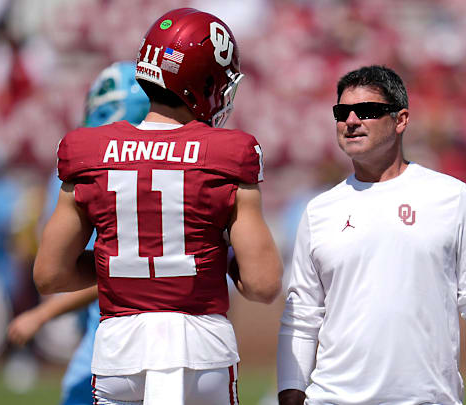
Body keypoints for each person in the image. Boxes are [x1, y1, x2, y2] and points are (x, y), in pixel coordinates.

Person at [33, 8, 282, 405]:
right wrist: (212, 260)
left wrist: (118, 265)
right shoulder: (229, 152)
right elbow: (264, 284)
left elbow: (49, 275)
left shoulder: (86, 150)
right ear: (204, 81)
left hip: (119, 352)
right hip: (200, 349)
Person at [276, 65, 466, 405]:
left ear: (400, 120)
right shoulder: (319, 211)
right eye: (342, 112)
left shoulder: (452, 198)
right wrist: (291, 397)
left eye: (366, 111)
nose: (351, 120)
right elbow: (302, 317)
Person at [7, 61, 149, 404]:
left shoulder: (95, 170)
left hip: (120, 335)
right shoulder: (181, 164)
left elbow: (106, 270)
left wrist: (43, 313)